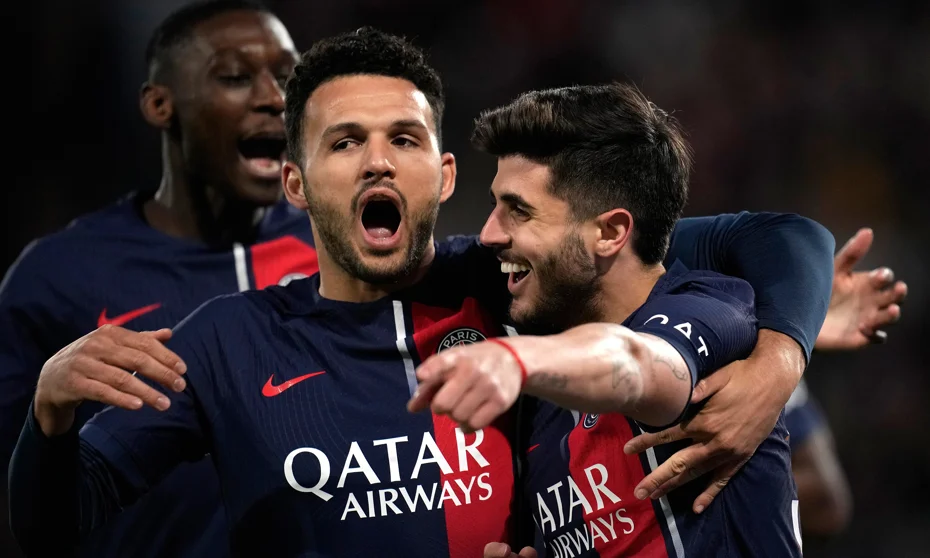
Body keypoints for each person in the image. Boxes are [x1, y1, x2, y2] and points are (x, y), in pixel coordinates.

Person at [10, 29, 837, 557]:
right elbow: (54, 526)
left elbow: (778, 241)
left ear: (441, 176)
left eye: (403, 138)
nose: (378, 160)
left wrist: (780, 356)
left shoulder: (509, 276)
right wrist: (49, 418)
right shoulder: (225, 342)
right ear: (296, 185)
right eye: (345, 143)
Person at [409, 83, 807, 556]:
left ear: (610, 232)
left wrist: (516, 359)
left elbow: (636, 360)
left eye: (519, 211)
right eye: (495, 205)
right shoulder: (543, 412)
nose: (489, 234)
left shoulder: (712, 310)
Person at [0, 2, 315, 557]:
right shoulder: (56, 277)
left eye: (289, 78)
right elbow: (18, 506)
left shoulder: (331, 245)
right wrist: (48, 414)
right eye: (235, 77)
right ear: (160, 104)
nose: (275, 98)